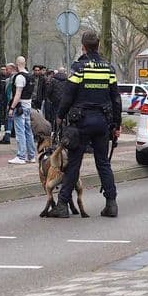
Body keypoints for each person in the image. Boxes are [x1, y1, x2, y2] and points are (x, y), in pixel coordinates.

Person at [47, 31, 121, 218]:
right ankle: (111, 204)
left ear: (83, 46)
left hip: (81, 122)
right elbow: (116, 98)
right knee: (103, 163)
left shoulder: (79, 68)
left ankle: (62, 205)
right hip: (103, 122)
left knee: (74, 163)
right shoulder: (108, 68)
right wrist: (117, 124)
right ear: (98, 46)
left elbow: (68, 95)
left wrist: (59, 116)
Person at [7, 56, 37, 164]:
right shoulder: (31, 76)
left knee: (20, 131)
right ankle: (32, 155)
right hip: (28, 105)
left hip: (20, 106)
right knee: (28, 131)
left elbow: (17, 94)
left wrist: (11, 107)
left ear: (16, 64)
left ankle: (21, 156)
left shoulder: (19, 77)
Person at [44, 66, 68, 132]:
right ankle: (63, 131)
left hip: (55, 102)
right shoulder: (68, 81)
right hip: (65, 102)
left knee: (55, 116)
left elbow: (49, 91)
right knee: (64, 116)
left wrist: (50, 99)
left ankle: (55, 130)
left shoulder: (53, 80)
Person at [0, 63, 16, 144]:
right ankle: (7, 135)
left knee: (10, 119)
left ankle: (8, 136)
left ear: (12, 69)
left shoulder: (16, 78)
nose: (6, 71)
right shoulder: (8, 80)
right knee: (8, 119)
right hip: (8, 102)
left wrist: (11, 104)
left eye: (7, 69)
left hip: (13, 102)